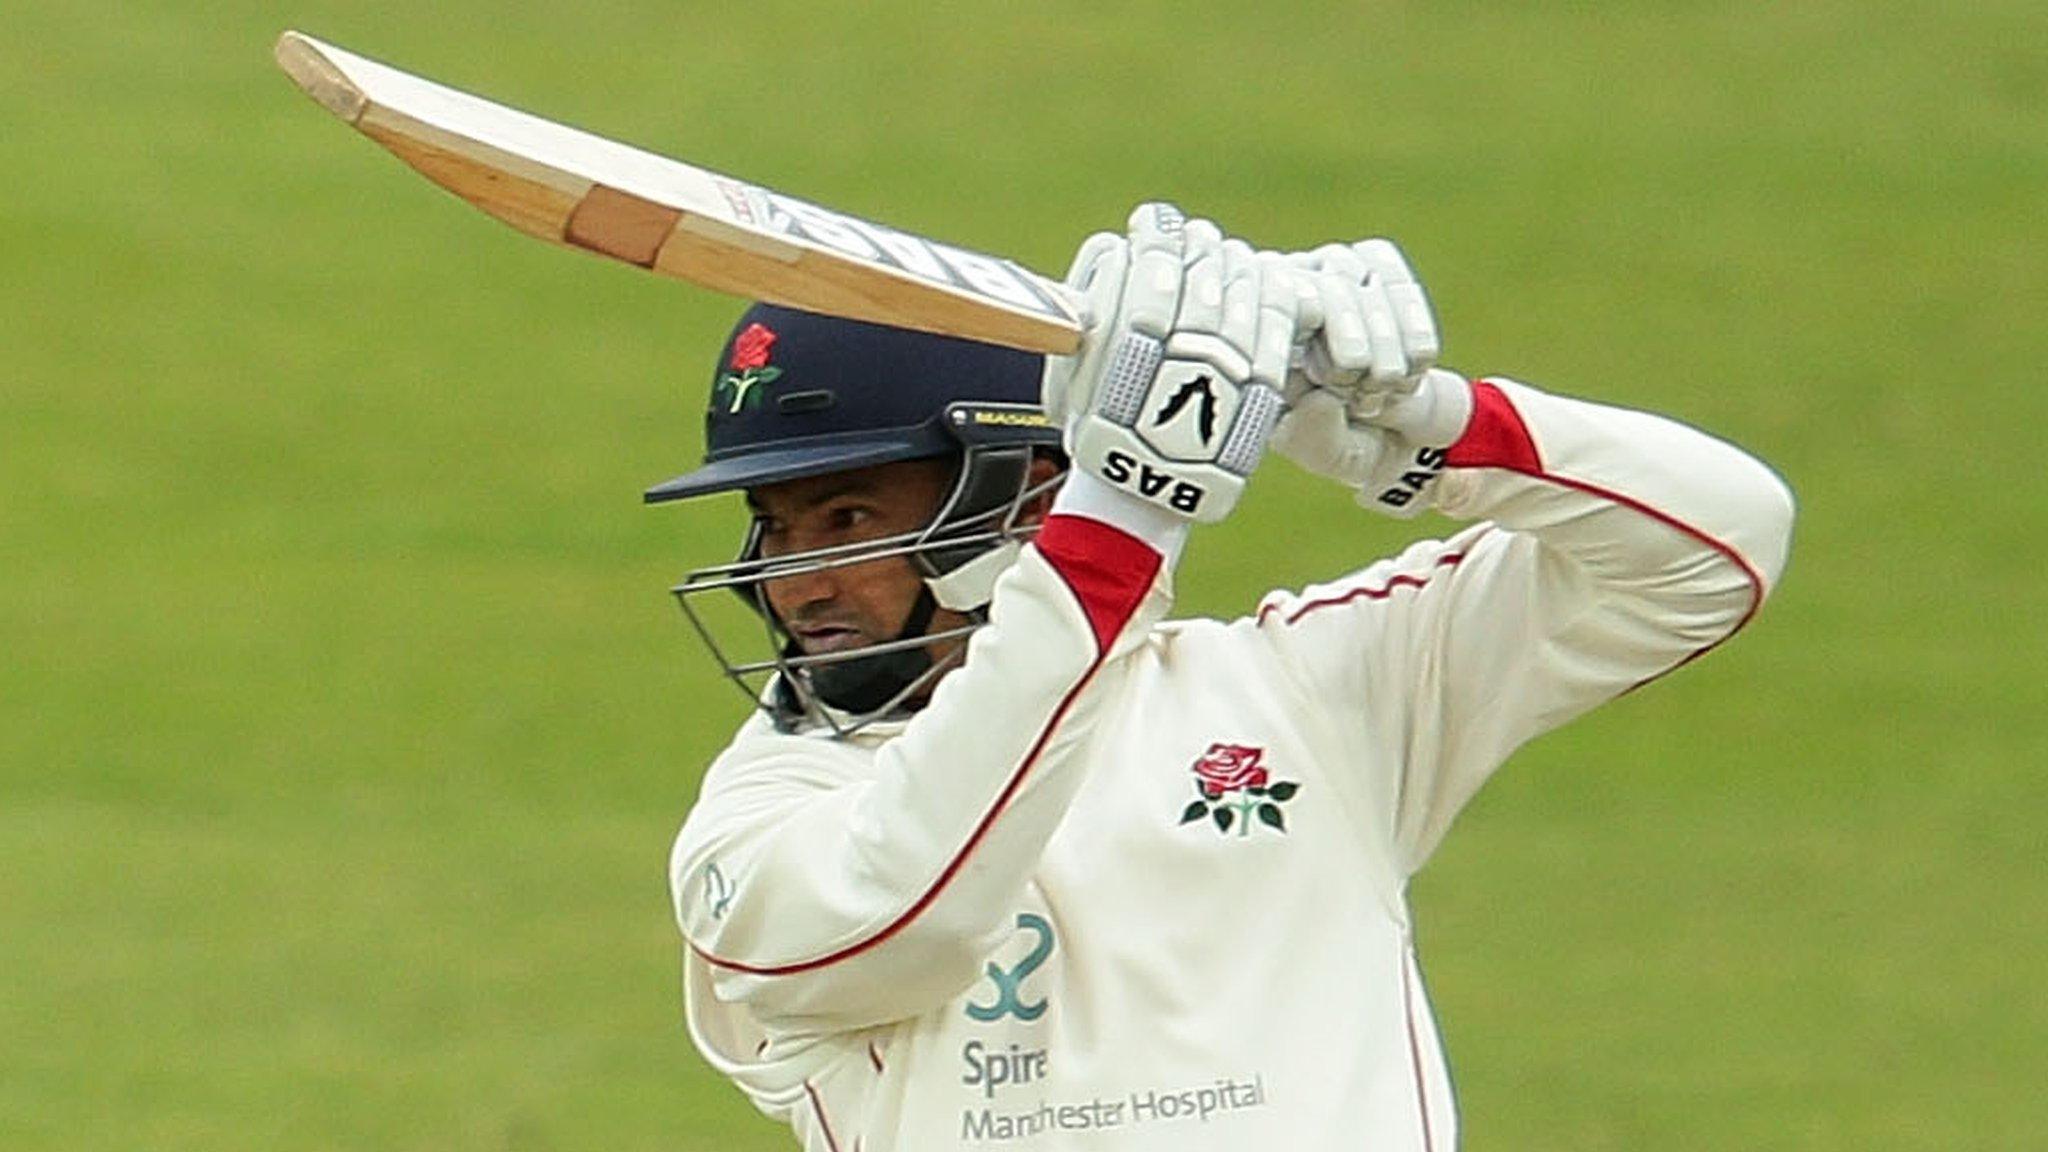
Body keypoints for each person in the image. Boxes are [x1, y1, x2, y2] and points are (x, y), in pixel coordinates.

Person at [651, 204, 1795, 1151]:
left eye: (847, 518)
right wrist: (1121, 524)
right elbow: (898, 917)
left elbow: (1713, 550)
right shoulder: (757, 826)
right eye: (776, 525)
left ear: (1021, 496)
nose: (799, 582)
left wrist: (1413, 427)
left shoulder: (1305, 693)